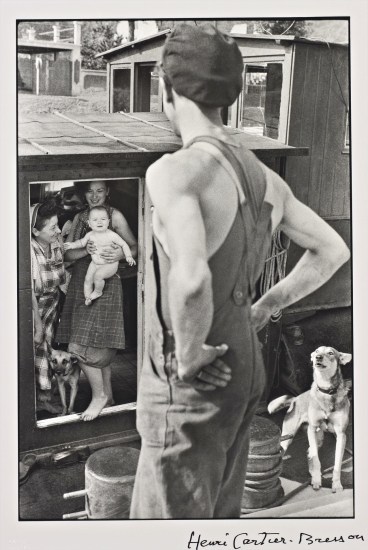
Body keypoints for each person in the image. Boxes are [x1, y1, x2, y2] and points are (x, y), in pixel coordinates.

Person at [130, 23, 350, 519]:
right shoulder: (262, 175)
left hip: (194, 381)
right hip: (245, 368)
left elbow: (191, 280)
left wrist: (187, 355)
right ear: (229, 96)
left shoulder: (174, 171)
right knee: (218, 516)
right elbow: (332, 250)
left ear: (167, 89)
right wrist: (267, 304)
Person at [56, 180, 137, 421]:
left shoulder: (116, 216)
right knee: (85, 341)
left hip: (107, 283)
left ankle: (99, 395)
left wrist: (122, 253)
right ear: (84, 194)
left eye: (99, 190)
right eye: (90, 191)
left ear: (108, 192)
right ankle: (108, 396)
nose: (94, 196)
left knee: (84, 344)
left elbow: (135, 245)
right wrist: (86, 250)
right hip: (81, 284)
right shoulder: (81, 218)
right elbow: (67, 254)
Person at [31, 199, 66, 414]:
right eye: (52, 227)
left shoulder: (54, 243)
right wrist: (37, 326)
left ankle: (44, 398)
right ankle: (35, 402)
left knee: (47, 353)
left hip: (52, 308)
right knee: (35, 352)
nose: (58, 230)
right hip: (35, 310)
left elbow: (65, 259)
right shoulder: (30, 252)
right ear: (35, 231)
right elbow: (28, 294)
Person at [64, 205, 136, 306]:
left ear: (108, 221)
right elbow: (81, 243)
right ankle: (88, 297)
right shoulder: (90, 235)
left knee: (98, 276)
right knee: (88, 279)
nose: (99, 222)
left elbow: (124, 244)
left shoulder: (111, 235)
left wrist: (127, 256)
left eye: (103, 219)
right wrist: (72, 245)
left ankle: (98, 292)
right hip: (95, 263)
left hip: (109, 264)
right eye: (95, 220)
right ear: (89, 223)